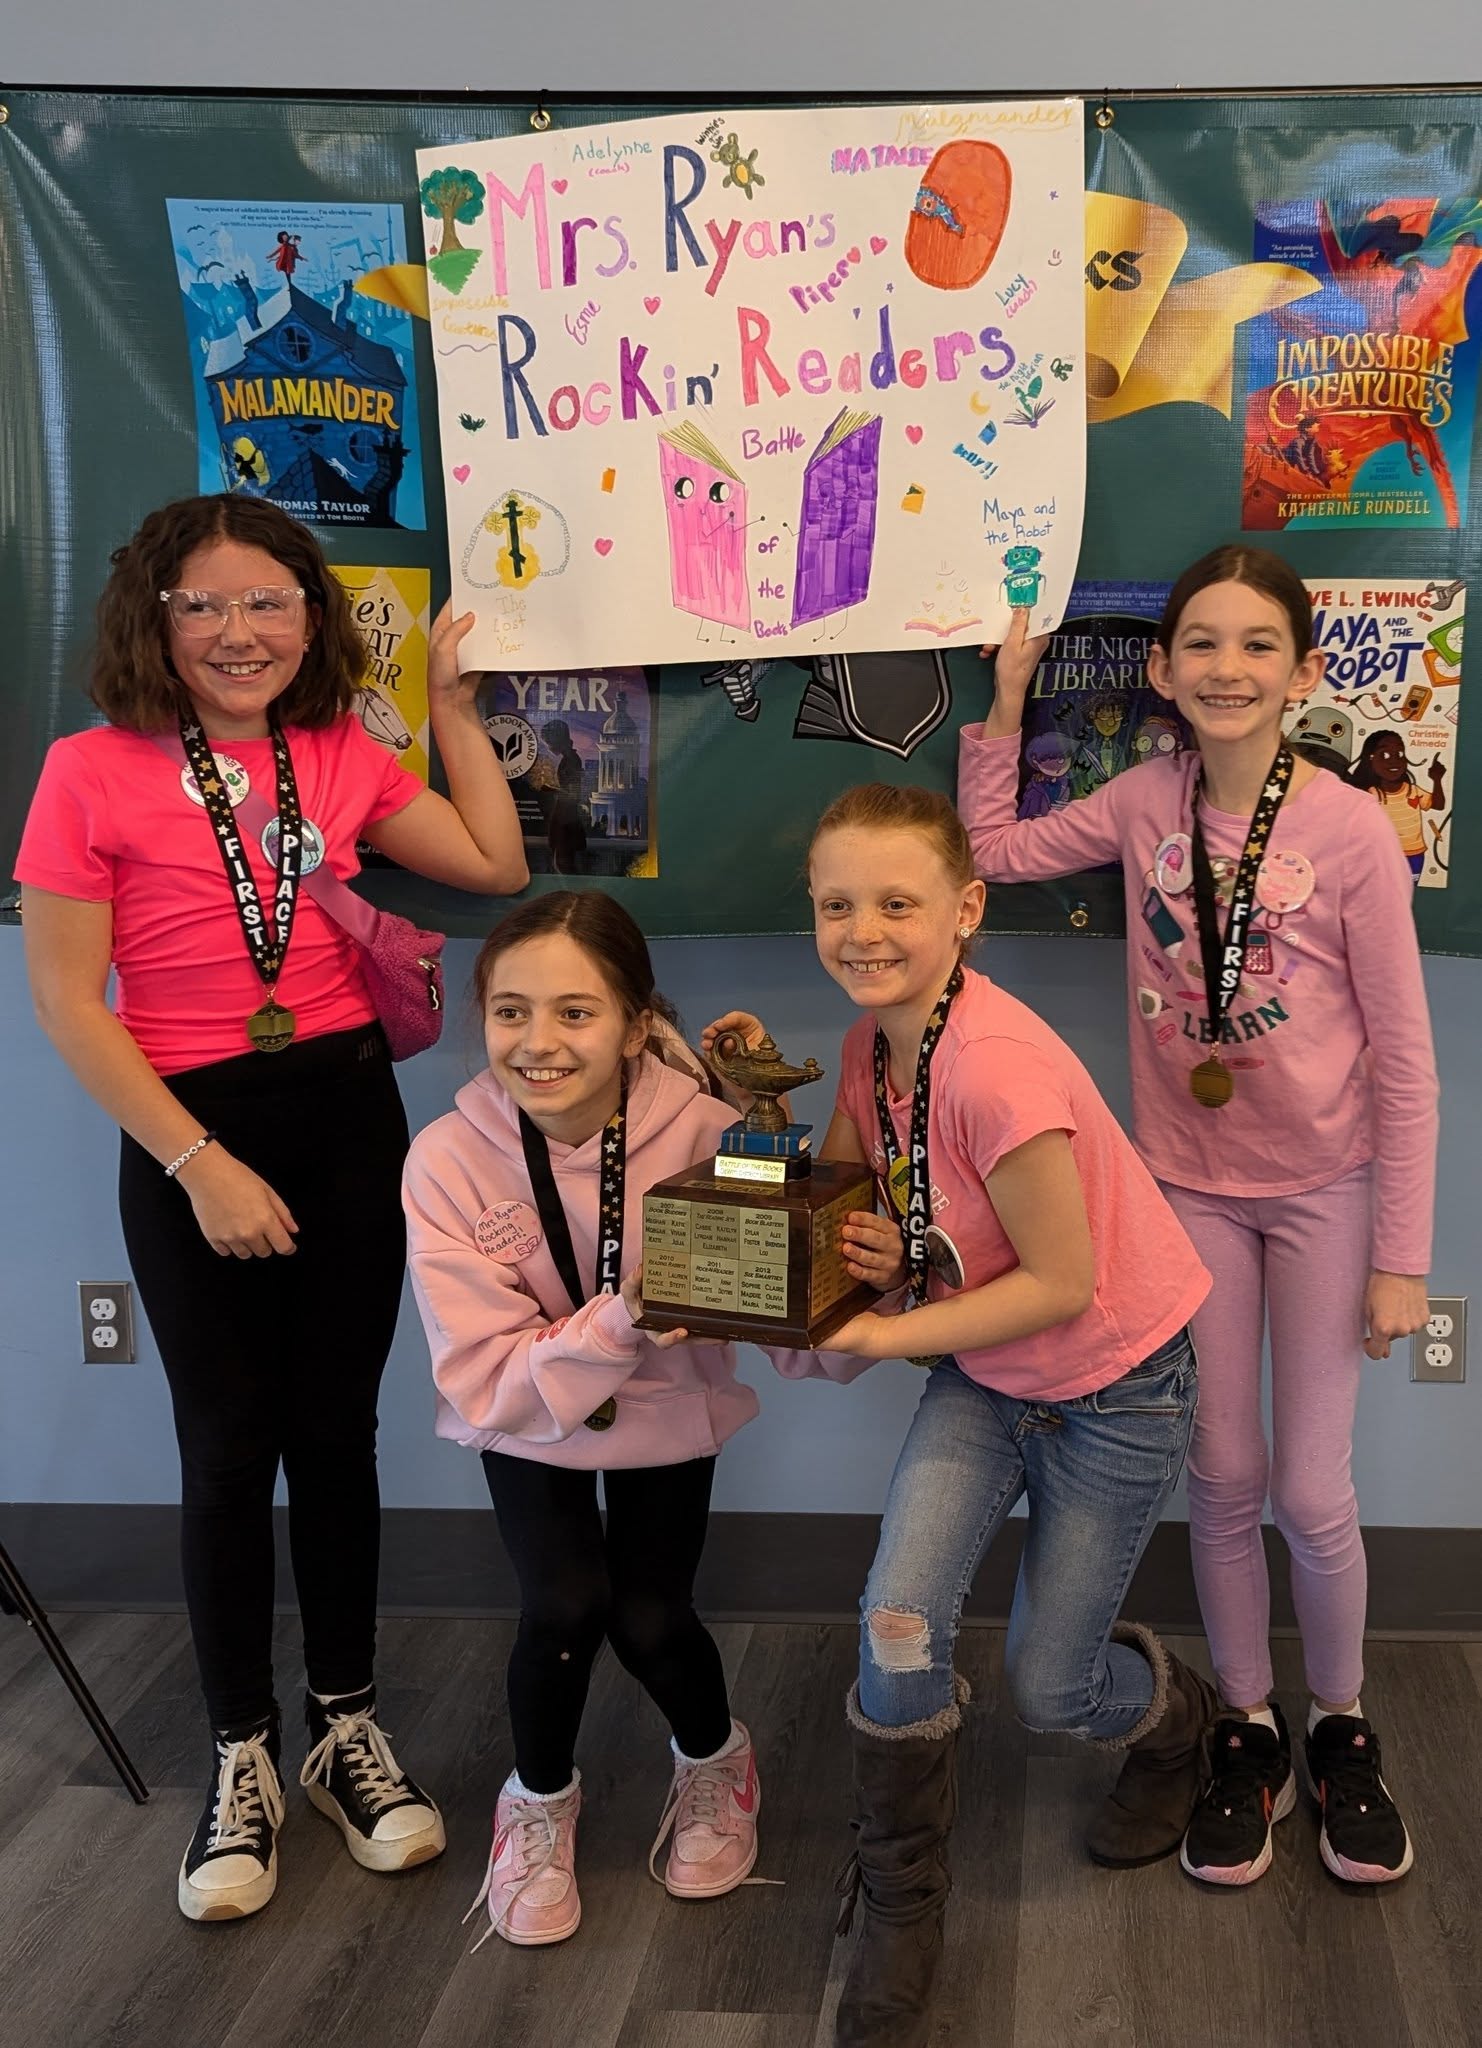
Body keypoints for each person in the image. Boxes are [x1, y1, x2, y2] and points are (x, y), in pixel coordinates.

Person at [16, 494, 527, 1922]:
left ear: (312, 618)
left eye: (268, 604)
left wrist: (447, 713)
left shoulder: (340, 753)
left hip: (347, 1115)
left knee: (336, 1434)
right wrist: (197, 1162)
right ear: (155, 619)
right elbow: (66, 1000)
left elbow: (494, 868)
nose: (238, 632)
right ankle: (241, 1750)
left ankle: (345, 1731)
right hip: (193, 1134)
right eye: (205, 605)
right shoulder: (86, 771)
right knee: (230, 1447)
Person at [960, 544, 1437, 1890]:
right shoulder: (1137, 802)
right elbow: (992, 851)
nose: (1226, 670)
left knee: (1305, 1488)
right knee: (1219, 1477)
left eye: (1255, 647)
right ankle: (1243, 1725)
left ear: (1299, 669)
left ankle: (1339, 1724)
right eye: (1201, 647)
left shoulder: (1349, 829)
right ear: (1160, 672)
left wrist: (1401, 1258)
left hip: (1326, 1191)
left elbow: (1404, 1064)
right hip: (1184, 1193)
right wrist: (1003, 700)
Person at [707, 783, 1212, 2048]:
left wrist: (877, 1326)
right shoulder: (879, 1037)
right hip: (990, 1374)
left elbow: (1062, 1282)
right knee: (895, 1622)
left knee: (1050, 1686)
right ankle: (901, 1895)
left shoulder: (994, 1065)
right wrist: (832, 1212)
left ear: (966, 910)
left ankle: (1179, 1722)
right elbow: (859, 1191)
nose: (862, 928)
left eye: (896, 902)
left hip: (1114, 1386)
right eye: (836, 903)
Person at [401, 891, 897, 1950]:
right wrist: (625, 1314)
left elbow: (781, 1318)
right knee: (563, 1607)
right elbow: (485, 1371)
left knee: (650, 1615)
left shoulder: (715, 1130)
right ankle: (535, 1801)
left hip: (665, 1413)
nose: (538, 1044)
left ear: (635, 1025)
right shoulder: (446, 1157)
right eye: (510, 1012)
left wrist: (851, 1286)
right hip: (530, 1413)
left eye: (576, 1013)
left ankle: (715, 1758)